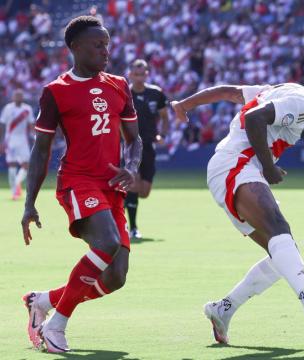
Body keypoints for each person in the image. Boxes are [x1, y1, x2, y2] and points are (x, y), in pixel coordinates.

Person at [172, 69, 304, 344]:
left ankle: (223, 310)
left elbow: (231, 92)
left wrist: (184, 104)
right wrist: (269, 165)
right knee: (278, 228)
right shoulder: (303, 101)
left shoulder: (285, 90)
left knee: (282, 255)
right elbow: (254, 118)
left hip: (233, 168)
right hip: (235, 163)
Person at [20, 16, 142, 353]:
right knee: (107, 242)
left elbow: (134, 139)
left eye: (107, 44)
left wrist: (130, 167)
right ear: (74, 47)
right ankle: (56, 325)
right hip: (78, 181)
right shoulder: (56, 92)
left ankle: (41, 301)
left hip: (112, 187)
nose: (106, 51)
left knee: (116, 276)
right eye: (98, 45)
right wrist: (29, 203)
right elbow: (41, 149)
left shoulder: (119, 84)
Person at [125, 59, 169, 239]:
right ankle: (133, 228)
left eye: (142, 74)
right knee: (133, 184)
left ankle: (121, 198)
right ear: (130, 75)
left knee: (144, 192)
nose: (139, 77)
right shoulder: (124, 93)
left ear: (147, 74)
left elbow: (165, 117)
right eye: (136, 74)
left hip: (149, 146)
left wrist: (162, 136)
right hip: (129, 145)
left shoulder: (156, 93)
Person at [0, 89, 35, 200]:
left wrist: (34, 137)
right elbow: (2, 125)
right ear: (13, 97)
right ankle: (14, 192)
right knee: (12, 164)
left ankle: (16, 183)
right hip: (10, 140)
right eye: (16, 95)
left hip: (23, 140)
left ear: (22, 97)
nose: (18, 97)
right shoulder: (8, 108)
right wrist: (1, 141)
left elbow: (31, 125)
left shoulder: (27, 109)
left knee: (26, 165)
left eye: (20, 96)